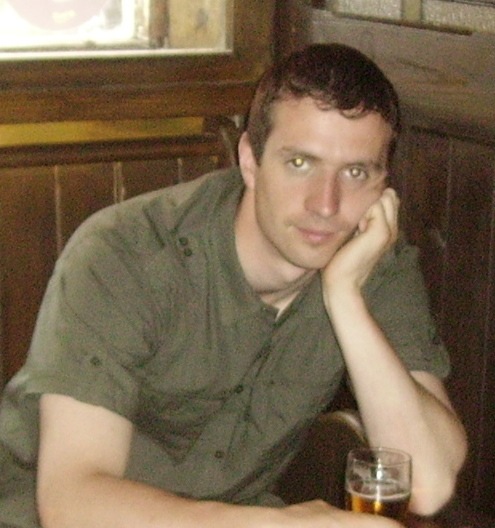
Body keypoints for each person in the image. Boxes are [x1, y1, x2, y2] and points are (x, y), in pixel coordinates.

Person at [0, 43, 466, 528]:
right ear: (249, 160)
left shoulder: (371, 261)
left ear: (382, 185)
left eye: (355, 172)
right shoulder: (127, 253)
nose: (326, 205)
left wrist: (345, 299)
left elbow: (428, 484)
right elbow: (72, 504)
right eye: (300, 163)